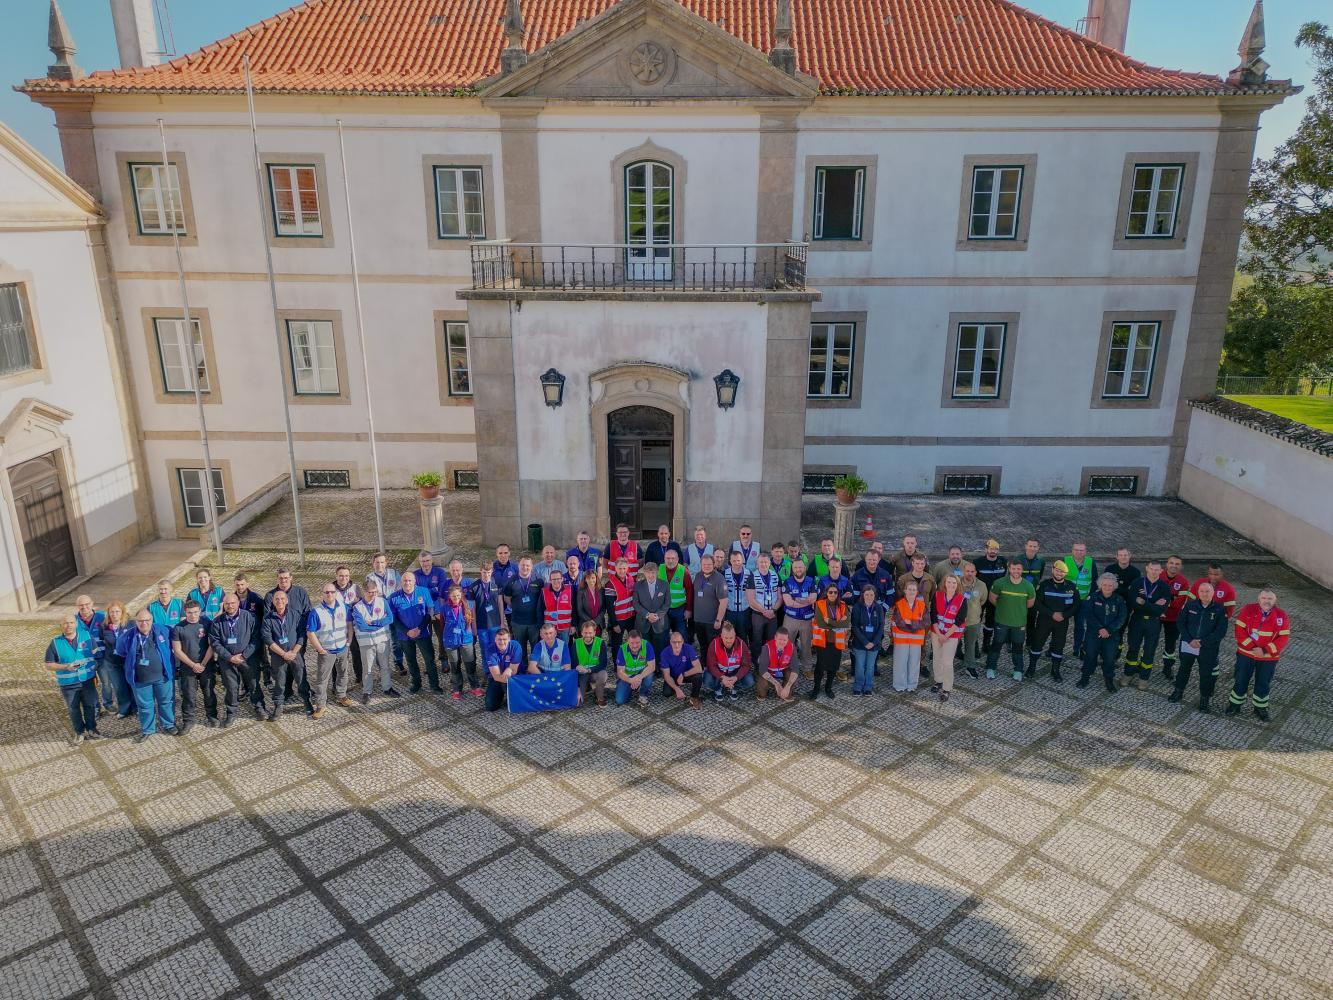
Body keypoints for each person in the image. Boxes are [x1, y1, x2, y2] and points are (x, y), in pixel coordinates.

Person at [1227, 589, 1291, 722]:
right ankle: (1235, 704)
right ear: (1259, 599)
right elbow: (1239, 629)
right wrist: (1252, 647)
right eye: (1264, 598)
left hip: (1268, 658)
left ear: (1275, 601)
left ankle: (1260, 708)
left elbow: (1283, 637)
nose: (1267, 601)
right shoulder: (1248, 609)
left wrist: (1265, 650)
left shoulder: (1281, 615)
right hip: (1246, 654)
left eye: (1270, 599)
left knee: (1263, 682)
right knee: (1241, 679)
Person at [117, 609, 177, 743]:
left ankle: (168, 724)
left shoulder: (164, 630)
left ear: (152, 620)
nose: (144, 623)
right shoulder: (127, 636)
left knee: (166, 701)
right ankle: (148, 729)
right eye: (140, 621)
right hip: (140, 680)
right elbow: (121, 652)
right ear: (136, 622)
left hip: (163, 676)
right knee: (144, 706)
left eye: (147, 620)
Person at [1170, 581, 1229, 712]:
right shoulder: (1190, 605)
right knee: (1183, 669)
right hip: (1188, 645)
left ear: (1213, 593)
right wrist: (1189, 639)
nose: (1204, 594)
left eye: (1207, 591)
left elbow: (1220, 631)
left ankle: (1204, 700)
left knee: (1206, 674)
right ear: (1198, 592)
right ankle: (1178, 692)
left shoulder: (1219, 609)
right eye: (1202, 591)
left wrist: (1202, 642)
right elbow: (1180, 622)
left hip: (1208, 648)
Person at [45, 614, 102, 745]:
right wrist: (65, 666)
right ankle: (79, 732)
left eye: (71, 622)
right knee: (73, 709)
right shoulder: (55, 643)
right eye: (65, 623)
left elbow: (95, 653)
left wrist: (94, 666)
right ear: (61, 625)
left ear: (76, 623)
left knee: (90, 706)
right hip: (68, 684)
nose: (68, 625)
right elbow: (48, 664)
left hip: (87, 680)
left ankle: (92, 728)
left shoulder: (87, 636)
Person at [306, 582, 354, 718]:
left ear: (336, 593)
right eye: (327, 592)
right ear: (322, 594)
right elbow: (310, 632)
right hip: (326, 652)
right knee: (322, 679)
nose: (330, 594)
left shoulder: (344, 608)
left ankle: (341, 695)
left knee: (343, 673)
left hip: (343, 648)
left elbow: (349, 624)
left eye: (332, 592)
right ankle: (321, 705)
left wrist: (349, 640)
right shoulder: (316, 611)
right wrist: (320, 649)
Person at [206, 592, 254, 728]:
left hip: (246, 658)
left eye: (233, 603)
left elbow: (255, 637)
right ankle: (231, 713)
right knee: (231, 688)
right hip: (227, 661)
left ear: (238, 603)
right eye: (227, 604)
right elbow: (214, 642)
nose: (230, 606)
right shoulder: (217, 621)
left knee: (253, 683)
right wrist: (229, 657)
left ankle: (259, 707)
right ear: (224, 605)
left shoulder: (248, 616)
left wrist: (244, 655)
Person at [1027, 560, 1079, 681]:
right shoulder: (1044, 585)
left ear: (1065, 573)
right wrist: (1052, 614)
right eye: (1057, 570)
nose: (1059, 573)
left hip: (1062, 622)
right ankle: (1032, 667)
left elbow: (1076, 605)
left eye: (1062, 572)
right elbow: (1037, 603)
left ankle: (1055, 670)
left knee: (1059, 645)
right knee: (1037, 643)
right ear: (1052, 570)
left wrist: (1065, 615)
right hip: (1044, 621)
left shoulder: (1071, 587)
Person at [389, 572, 439, 694]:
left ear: (415, 581)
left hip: (423, 633)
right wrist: (407, 631)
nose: (407, 583)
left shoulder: (424, 591)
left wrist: (419, 629)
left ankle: (435, 685)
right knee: (411, 660)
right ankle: (416, 684)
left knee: (429, 659)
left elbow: (429, 612)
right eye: (405, 581)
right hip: (404, 636)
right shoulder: (393, 597)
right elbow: (393, 619)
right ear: (401, 582)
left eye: (409, 580)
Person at [261, 589, 308, 719]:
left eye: (282, 599)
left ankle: (307, 702)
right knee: (279, 681)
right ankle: (278, 706)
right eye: (277, 599)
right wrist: (283, 654)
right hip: (278, 656)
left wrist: (293, 652)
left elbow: (302, 635)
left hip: (295, 654)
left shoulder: (295, 614)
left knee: (301, 678)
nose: (280, 601)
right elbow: (267, 639)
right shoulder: (268, 619)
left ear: (287, 601)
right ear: (273, 601)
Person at [352, 576, 399, 704]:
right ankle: (367, 691)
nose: (372, 594)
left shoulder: (383, 601)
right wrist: (379, 624)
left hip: (383, 640)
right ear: (364, 592)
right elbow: (362, 626)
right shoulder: (357, 607)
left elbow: (390, 619)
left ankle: (387, 688)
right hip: (366, 643)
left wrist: (373, 622)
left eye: (374, 592)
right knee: (367, 668)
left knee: (385, 666)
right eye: (370, 592)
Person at [266, 567, 311, 700]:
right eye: (281, 578)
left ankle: (304, 690)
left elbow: (307, 612)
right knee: (281, 668)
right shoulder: (270, 596)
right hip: (278, 641)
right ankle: (286, 691)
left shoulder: (300, 592)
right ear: (277, 579)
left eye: (286, 578)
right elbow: (267, 618)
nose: (283, 580)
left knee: (299, 664)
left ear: (291, 578)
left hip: (297, 637)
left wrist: (303, 634)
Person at [1124, 560, 1170, 689]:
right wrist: (1154, 605)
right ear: (1147, 569)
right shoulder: (1137, 583)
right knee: (1133, 647)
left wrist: (1143, 604)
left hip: (1153, 622)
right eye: (1152, 569)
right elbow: (1132, 602)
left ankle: (1144, 678)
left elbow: (1162, 609)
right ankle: (1128, 673)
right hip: (1137, 620)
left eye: (1157, 570)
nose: (1154, 572)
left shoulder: (1164, 587)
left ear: (1161, 571)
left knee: (1149, 650)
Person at [987, 561, 1036, 681]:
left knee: (1018, 647)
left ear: (1022, 570)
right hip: (1001, 621)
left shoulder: (1028, 586)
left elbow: (1030, 604)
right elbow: (992, 598)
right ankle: (990, 667)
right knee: (996, 645)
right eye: (1013, 569)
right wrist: (1004, 608)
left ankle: (1018, 670)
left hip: (1019, 623)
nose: (1016, 571)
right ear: (1009, 569)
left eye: (1018, 569)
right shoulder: (999, 583)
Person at [171, 600, 214, 735]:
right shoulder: (178, 628)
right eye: (189, 613)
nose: (193, 615)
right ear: (185, 612)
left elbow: (212, 645)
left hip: (206, 665)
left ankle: (212, 716)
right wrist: (193, 665)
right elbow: (177, 650)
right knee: (189, 695)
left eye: (195, 612)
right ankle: (188, 721)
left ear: (200, 611)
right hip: (187, 667)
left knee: (209, 692)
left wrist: (203, 664)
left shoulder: (207, 623)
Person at [1079, 574, 1127, 693]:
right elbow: (1088, 614)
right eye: (1104, 585)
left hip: (1111, 635)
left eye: (1110, 585)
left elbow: (1121, 618)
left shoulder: (1119, 600)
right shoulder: (1093, 597)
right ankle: (1085, 677)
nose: (1107, 587)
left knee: (1110, 659)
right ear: (1100, 585)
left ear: (1114, 586)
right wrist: (1100, 628)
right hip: (1093, 633)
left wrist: (1109, 630)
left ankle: (1109, 680)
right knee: (1090, 656)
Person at [439, 583, 480, 699]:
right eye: (453, 596)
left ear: (461, 595)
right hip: (451, 641)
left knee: (470, 664)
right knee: (455, 666)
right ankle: (457, 688)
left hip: (466, 639)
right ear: (449, 597)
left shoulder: (467, 606)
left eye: (458, 596)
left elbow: (471, 622)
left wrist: (473, 634)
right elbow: (442, 624)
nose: (456, 598)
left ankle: (475, 686)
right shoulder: (444, 608)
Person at [930, 575, 967, 701]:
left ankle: (946, 688)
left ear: (957, 585)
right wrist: (939, 634)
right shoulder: (937, 595)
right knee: (937, 658)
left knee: (947, 662)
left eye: (954, 583)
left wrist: (945, 635)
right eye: (949, 582)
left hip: (951, 635)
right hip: (937, 632)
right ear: (944, 583)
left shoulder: (962, 599)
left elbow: (959, 620)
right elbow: (933, 615)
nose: (951, 585)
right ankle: (938, 680)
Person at [781, 557, 818, 679]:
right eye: (796, 567)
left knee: (806, 644)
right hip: (790, 618)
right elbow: (788, 602)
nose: (798, 569)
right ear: (792, 569)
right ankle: (788, 667)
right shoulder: (787, 582)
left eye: (800, 567)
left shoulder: (811, 581)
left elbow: (813, 598)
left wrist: (797, 600)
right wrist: (805, 601)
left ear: (805, 568)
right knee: (788, 644)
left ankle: (807, 668)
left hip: (807, 619)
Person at [810, 583, 849, 699]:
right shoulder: (819, 604)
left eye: (835, 592)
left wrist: (830, 622)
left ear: (838, 594)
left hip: (837, 642)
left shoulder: (843, 605)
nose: (833, 594)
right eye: (830, 592)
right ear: (826, 593)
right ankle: (816, 688)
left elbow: (846, 623)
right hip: (823, 641)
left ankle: (828, 688)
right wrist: (837, 624)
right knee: (820, 667)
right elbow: (820, 623)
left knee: (833, 667)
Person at [233, 572, 266, 703]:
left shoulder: (256, 598)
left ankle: (265, 682)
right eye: (237, 585)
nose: (240, 587)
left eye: (242, 584)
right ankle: (245, 687)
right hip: (238, 637)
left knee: (259, 661)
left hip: (254, 635)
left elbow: (263, 615)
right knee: (241, 663)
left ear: (247, 584)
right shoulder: (232, 599)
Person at [891, 580, 929, 693]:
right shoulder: (899, 604)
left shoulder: (922, 605)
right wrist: (915, 625)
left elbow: (926, 622)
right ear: (905, 591)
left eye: (914, 589)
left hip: (915, 642)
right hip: (901, 640)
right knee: (900, 663)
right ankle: (899, 685)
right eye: (909, 589)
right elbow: (899, 622)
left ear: (917, 592)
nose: (911, 591)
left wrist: (910, 623)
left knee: (914, 663)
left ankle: (912, 685)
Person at [97, 601, 134, 719]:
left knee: (132, 684)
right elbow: (102, 640)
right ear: (108, 613)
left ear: (122, 612)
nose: (114, 614)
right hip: (112, 662)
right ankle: (124, 709)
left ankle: (136, 707)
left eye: (117, 611)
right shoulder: (104, 626)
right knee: (119, 687)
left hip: (128, 661)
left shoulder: (130, 624)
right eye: (111, 612)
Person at [368, 552, 404, 672]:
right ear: (373, 564)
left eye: (382, 562)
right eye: (377, 562)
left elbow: (400, 590)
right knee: (381, 641)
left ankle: (398, 662)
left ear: (386, 563)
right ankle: (382, 666)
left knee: (397, 640)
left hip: (395, 612)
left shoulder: (394, 573)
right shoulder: (370, 578)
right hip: (380, 614)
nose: (380, 565)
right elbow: (372, 595)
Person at [1158, 555, 1191, 682]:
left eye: (1177, 564)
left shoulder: (1183, 582)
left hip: (1173, 618)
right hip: (1156, 615)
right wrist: (1171, 598)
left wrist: (1163, 602)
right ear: (1166, 564)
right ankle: (1144, 664)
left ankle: (1168, 667)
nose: (1174, 566)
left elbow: (1180, 602)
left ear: (1180, 566)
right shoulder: (1159, 575)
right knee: (1151, 641)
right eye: (1171, 563)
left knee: (1170, 645)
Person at [1062, 543, 1098, 657]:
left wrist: (1090, 595)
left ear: (1085, 551)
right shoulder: (1065, 560)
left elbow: (1095, 580)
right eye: (1077, 550)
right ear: (1072, 550)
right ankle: (1056, 647)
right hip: (1067, 599)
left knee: (1080, 626)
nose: (1079, 552)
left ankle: (1077, 648)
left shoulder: (1090, 562)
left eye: (1081, 550)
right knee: (1061, 625)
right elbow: (1059, 577)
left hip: (1083, 600)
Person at [505, 557, 543, 663]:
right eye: (522, 565)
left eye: (527, 565)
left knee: (536, 647)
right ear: (518, 566)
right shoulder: (512, 580)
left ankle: (535, 668)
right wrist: (517, 607)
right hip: (518, 622)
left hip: (534, 622)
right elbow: (507, 598)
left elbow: (543, 597)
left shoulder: (538, 579)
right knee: (520, 648)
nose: (525, 567)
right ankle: (522, 669)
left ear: (531, 567)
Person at [850, 585, 886, 696]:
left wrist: (873, 642)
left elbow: (881, 626)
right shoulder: (857, 607)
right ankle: (858, 686)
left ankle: (868, 687)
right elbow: (855, 626)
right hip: (860, 643)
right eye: (866, 594)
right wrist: (865, 642)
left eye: (871, 595)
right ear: (863, 595)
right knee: (860, 666)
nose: (869, 597)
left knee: (870, 667)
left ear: (874, 596)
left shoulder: (879, 608)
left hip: (874, 644)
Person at [704, 622, 753, 703]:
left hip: (735, 673)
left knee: (749, 681)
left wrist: (736, 677)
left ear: (735, 636)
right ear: (721, 636)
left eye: (731, 638)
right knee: (707, 679)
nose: (729, 641)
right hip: (720, 673)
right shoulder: (714, 644)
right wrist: (722, 677)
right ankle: (718, 688)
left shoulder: (742, 644)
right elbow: (711, 665)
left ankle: (734, 687)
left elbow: (746, 665)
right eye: (726, 638)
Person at [332, 566, 363, 686]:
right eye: (341, 575)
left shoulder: (355, 588)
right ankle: (337, 684)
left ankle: (360, 677)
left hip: (353, 627)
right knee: (338, 657)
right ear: (336, 576)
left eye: (346, 575)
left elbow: (361, 604)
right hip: (338, 629)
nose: (343, 578)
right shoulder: (331, 589)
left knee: (356, 652)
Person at [973, 540, 1007, 652]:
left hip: (995, 598)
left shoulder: (1003, 562)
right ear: (986, 549)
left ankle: (986, 643)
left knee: (990, 622)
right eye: (991, 548)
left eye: (995, 549)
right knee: (976, 620)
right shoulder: (977, 562)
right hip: (980, 598)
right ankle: (975, 644)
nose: (993, 551)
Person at [691, 552, 727, 654]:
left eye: (709, 564)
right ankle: (704, 665)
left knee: (714, 647)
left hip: (712, 621)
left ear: (714, 564)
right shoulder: (698, 576)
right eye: (704, 564)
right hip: (699, 620)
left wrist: (718, 620)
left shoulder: (719, 579)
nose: (706, 566)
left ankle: (713, 667)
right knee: (703, 646)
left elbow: (724, 601)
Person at [658, 630, 705, 707]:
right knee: (667, 693)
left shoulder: (689, 648)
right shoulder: (664, 653)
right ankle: (677, 687)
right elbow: (666, 675)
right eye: (674, 642)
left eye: (679, 642)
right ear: (670, 642)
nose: (676, 645)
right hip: (673, 676)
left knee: (698, 676)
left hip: (686, 674)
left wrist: (683, 674)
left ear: (682, 641)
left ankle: (694, 697)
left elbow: (699, 668)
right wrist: (677, 689)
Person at [746, 551, 782, 651]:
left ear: (769, 563)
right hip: (758, 614)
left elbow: (780, 597)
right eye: (761, 562)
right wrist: (764, 611)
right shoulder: (752, 577)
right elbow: (751, 599)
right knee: (757, 639)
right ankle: (756, 662)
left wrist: (773, 610)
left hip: (773, 614)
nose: (763, 564)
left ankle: (770, 661)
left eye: (766, 562)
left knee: (771, 639)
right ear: (757, 564)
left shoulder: (776, 576)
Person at [959, 562, 988, 679]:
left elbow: (982, 600)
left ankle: (970, 666)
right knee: (952, 645)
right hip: (956, 623)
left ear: (975, 572)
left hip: (973, 621)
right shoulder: (956, 583)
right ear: (963, 571)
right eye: (967, 571)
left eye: (972, 571)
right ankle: (947, 666)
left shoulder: (981, 585)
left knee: (970, 645)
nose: (969, 574)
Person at [470, 562, 506, 657]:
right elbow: (472, 608)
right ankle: (487, 670)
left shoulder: (496, 584)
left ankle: (497, 668)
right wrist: (474, 625)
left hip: (495, 623)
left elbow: (500, 603)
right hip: (481, 624)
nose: (486, 575)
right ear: (480, 571)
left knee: (497, 646)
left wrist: (502, 622)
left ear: (492, 571)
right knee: (485, 648)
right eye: (484, 572)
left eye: (489, 572)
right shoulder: (474, 586)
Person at [483, 628, 524, 711]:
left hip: (515, 677)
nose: (502, 642)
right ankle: (503, 692)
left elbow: (514, 670)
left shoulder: (516, 646)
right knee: (490, 706)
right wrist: (507, 671)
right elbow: (496, 676)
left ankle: (508, 693)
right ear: (495, 639)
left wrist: (509, 669)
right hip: (498, 678)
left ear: (509, 639)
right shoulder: (490, 650)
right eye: (499, 639)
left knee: (516, 705)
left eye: (504, 639)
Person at [570, 619, 608, 706]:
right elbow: (573, 664)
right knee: (578, 703)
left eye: (590, 633)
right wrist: (578, 687)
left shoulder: (600, 642)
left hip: (595, 672)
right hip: (582, 674)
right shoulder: (576, 643)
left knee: (603, 675)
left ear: (594, 633)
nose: (588, 635)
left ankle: (600, 697)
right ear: (581, 633)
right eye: (585, 633)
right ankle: (587, 686)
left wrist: (589, 670)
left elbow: (603, 664)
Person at [633, 563, 670, 652]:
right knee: (644, 649)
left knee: (659, 649)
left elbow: (667, 603)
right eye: (648, 573)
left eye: (653, 572)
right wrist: (647, 615)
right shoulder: (638, 585)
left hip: (659, 623)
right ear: (644, 573)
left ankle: (658, 665)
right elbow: (635, 603)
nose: (651, 575)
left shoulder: (664, 584)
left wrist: (657, 615)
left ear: (657, 572)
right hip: (643, 623)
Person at [755, 628, 798, 702]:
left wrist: (788, 687)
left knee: (791, 675)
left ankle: (785, 690)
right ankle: (770, 686)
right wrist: (777, 684)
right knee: (762, 694)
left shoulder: (792, 647)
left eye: (784, 640)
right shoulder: (766, 648)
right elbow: (762, 670)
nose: (782, 642)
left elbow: (795, 669)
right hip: (768, 672)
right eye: (780, 639)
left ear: (788, 639)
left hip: (783, 670)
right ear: (775, 637)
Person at [604, 557, 638, 651]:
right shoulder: (610, 584)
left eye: (624, 568)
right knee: (617, 644)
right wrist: (614, 624)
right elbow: (609, 607)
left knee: (634, 641)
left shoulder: (632, 580)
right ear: (615, 568)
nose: (622, 571)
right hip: (618, 620)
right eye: (620, 568)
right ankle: (617, 665)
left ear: (627, 568)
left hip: (631, 618)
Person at [615, 629, 656, 705]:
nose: (635, 645)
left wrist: (639, 677)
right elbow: (620, 672)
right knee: (619, 700)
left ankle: (643, 694)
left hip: (642, 673)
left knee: (649, 675)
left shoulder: (647, 645)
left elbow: (652, 666)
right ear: (627, 641)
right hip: (628, 676)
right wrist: (631, 680)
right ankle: (632, 687)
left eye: (637, 642)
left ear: (641, 640)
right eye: (632, 643)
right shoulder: (622, 649)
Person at [658, 549, 692, 638]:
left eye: (673, 558)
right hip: (663, 609)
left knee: (681, 634)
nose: (670, 561)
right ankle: (666, 651)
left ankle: (683, 651)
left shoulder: (684, 571)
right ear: (664, 559)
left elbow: (689, 591)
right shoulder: (659, 569)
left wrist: (688, 609)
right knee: (663, 635)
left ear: (677, 559)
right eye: (668, 558)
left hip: (679, 609)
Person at [541, 569, 574, 645]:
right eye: (554, 579)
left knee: (563, 649)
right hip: (549, 628)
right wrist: (541, 627)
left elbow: (574, 609)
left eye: (558, 579)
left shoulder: (569, 590)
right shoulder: (544, 592)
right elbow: (539, 610)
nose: (556, 581)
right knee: (550, 649)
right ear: (550, 580)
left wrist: (573, 625)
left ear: (562, 579)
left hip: (565, 627)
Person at [722, 549, 750, 640]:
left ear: (742, 560)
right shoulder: (724, 574)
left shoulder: (749, 574)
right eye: (734, 560)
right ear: (730, 561)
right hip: (730, 611)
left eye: (738, 560)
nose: (736, 563)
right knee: (729, 635)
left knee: (743, 636)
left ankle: (743, 653)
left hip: (744, 611)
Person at [575, 569, 605, 634]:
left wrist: (596, 621)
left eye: (593, 578)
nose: (591, 580)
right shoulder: (581, 592)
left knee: (597, 643)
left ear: (596, 578)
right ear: (585, 580)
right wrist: (590, 622)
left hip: (598, 624)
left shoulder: (601, 590)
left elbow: (603, 608)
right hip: (585, 625)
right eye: (588, 578)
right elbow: (580, 610)